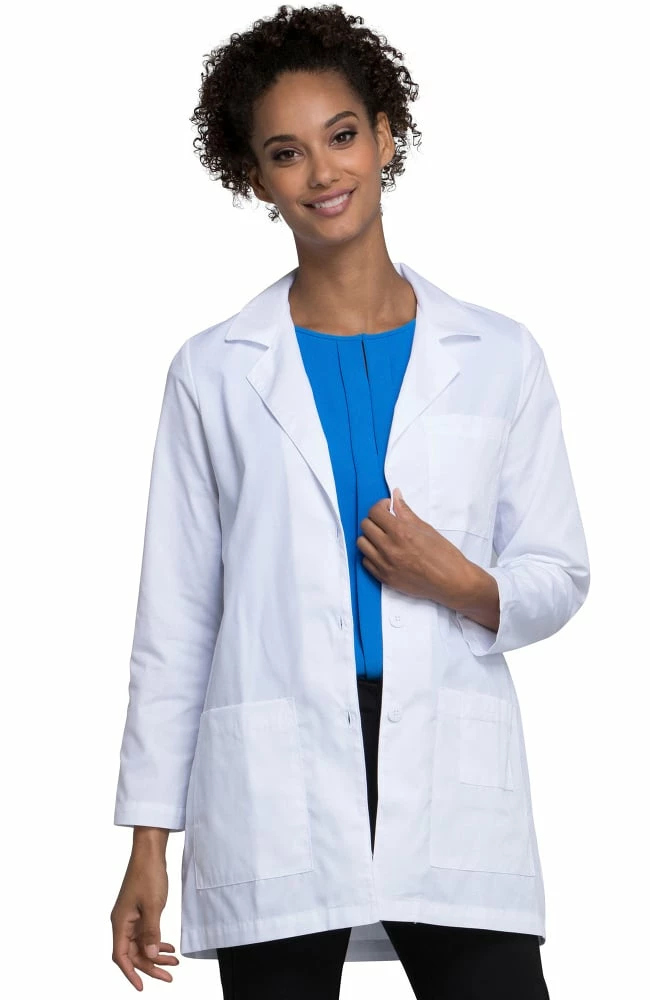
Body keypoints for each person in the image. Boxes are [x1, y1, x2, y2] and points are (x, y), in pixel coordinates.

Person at [110, 5, 590, 998]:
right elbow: (176, 621)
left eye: (340, 137)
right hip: (272, 774)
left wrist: (458, 582)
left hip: (449, 769)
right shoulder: (212, 370)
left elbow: (557, 571)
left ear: (384, 135)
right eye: (285, 153)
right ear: (255, 178)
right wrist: (148, 843)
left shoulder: (498, 354)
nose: (321, 173)